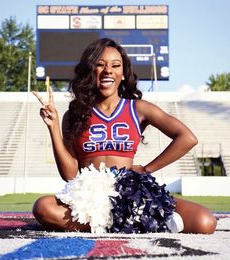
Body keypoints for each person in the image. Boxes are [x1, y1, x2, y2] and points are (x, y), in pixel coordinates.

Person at [32, 38, 216, 234]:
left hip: (131, 192)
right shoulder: (75, 114)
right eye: (100, 65)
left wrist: (146, 169)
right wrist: (52, 127)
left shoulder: (138, 109)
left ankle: (119, 220)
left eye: (115, 65)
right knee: (43, 208)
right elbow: (70, 175)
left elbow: (187, 138)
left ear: (122, 73)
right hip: (89, 197)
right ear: (90, 71)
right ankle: (135, 221)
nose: (108, 70)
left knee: (205, 222)